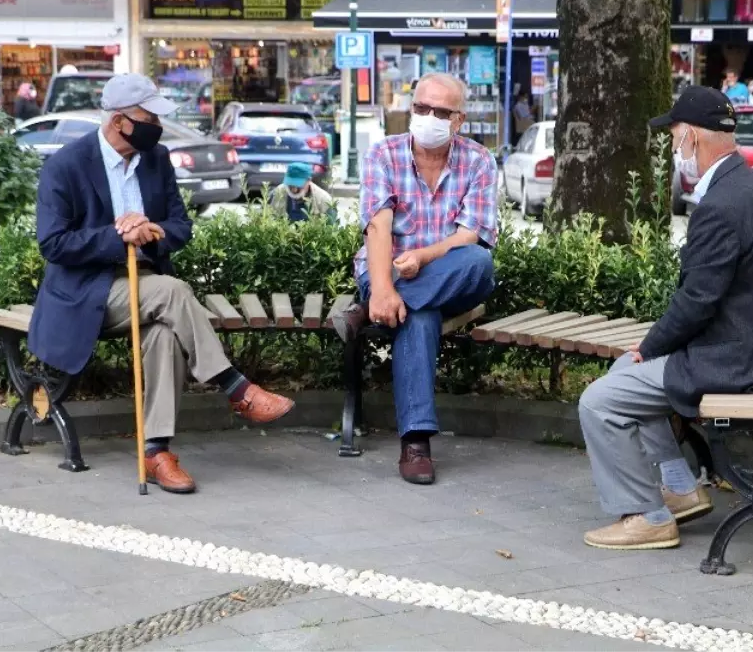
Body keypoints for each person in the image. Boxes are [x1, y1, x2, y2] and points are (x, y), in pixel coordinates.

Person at [29, 74, 295, 495]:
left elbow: (180, 227)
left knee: (164, 333)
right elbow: (53, 243)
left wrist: (150, 230)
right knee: (172, 292)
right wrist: (118, 236)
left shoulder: (156, 159)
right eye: (148, 117)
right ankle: (235, 388)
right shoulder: (65, 166)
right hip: (86, 292)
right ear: (119, 121)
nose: (157, 124)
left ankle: (156, 451)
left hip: (145, 284)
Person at [578, 86, 753, 551]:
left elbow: (696, 301)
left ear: (693, 138)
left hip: (736, 358)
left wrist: (647, 348)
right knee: (629, 374)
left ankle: (647, 515)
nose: (673, 147)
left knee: (600, 400)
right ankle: (680, 489)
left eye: (675, 136)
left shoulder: (721, 204)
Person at [332, 72, 498, 486]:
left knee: (478, 261)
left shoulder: (478, 160)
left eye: (440, 112)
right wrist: (384, 287)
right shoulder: (384, 154)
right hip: (387, 270)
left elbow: (470, 234)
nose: (428, 117)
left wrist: (424, 256)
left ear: (458, 120)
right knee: (419, 316)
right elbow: (377, 226)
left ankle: (367, 311)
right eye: (421, 108)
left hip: (452, 274)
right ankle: (416, 442)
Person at [267, 161, 336, 223]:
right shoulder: (276, 193)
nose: (294, 190)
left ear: (309, 181)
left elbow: (330, 229)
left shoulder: (324, 200)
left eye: (298, 185)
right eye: (290, 185)